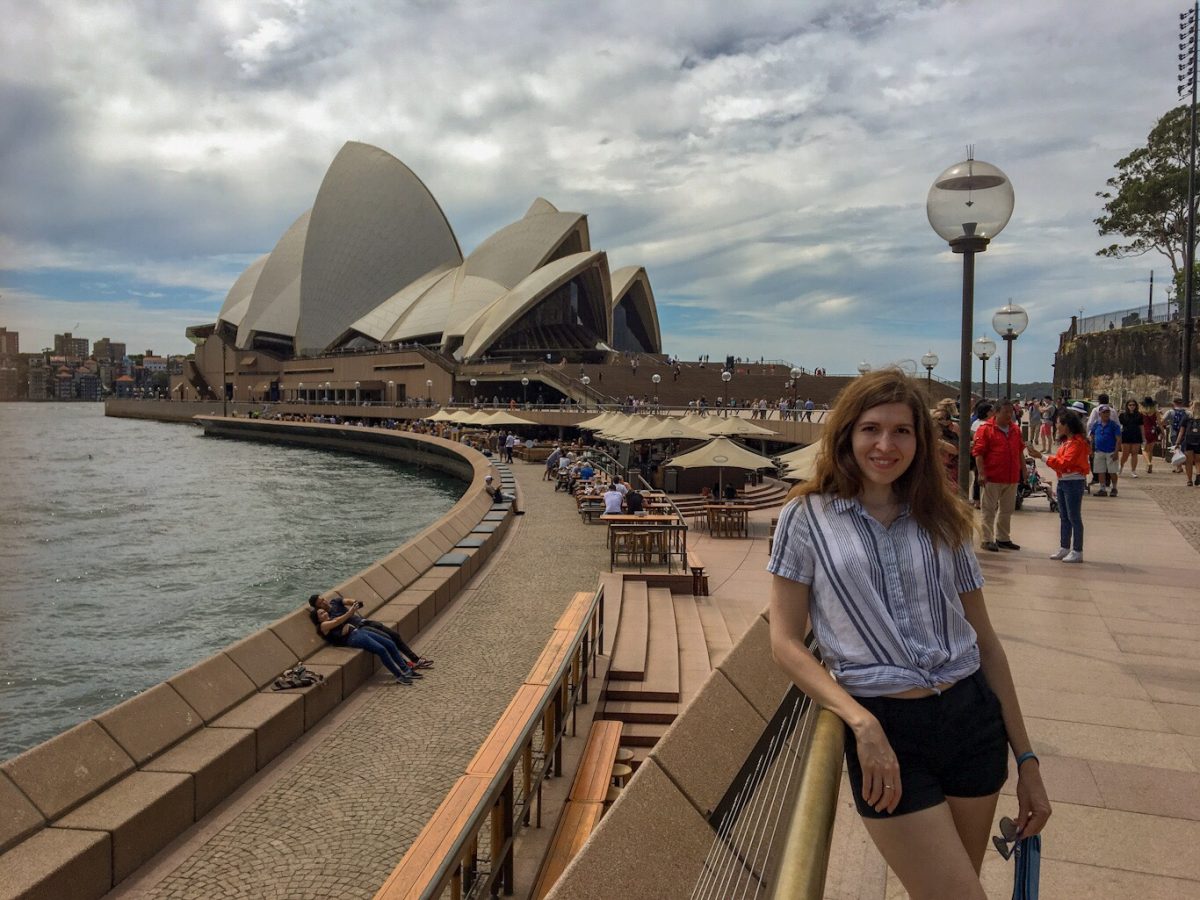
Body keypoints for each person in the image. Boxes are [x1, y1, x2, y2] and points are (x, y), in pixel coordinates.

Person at [767, 370, 1049, 898]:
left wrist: (1027, 760)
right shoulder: (806, 517)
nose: (885, 444)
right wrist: (860, 721)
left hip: (971, 723)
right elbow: (784, 642)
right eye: (871, 428)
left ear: (920, 441)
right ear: (847, 434)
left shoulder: (943, 516)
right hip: (889, 731)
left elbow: (984, 641)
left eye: (902, 431)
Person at [972, 399, 1041, 551]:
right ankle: (987, 539)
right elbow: (978, 453)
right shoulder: (985, 429)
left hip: (1011, 477)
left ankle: (1003, 538)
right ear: (996, 413)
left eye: (1011, 412)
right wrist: (981, 474)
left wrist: (1024, 471)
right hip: (992, 477)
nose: (1009, 415)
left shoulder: (1015, 430)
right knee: (989, 509)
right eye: (1006, 412)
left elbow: (1019, 452)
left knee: (1007, 509)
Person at [309, 595, 418, 684]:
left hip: (358, 631)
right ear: (317, 619)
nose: (325, 613)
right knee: (381, 649)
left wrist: (349, 621)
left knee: (389, 643)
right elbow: (338, 622)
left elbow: (341, 621)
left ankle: (406, 670)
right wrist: (350, 613)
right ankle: (399, 676)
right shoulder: (323, 626)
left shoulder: (331, 616)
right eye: (321, 613)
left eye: (324, 612)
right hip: (352, 638)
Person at [1044, 410, 1089, 563]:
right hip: (1064, 481)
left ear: (1067, 425)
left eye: (1058, 423)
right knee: (1064, 516)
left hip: (1074, 481)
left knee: (1074, 516)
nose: (1056, 425)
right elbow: (1060, 461)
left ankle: (1077, 549)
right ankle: (1065, 547)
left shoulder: (1077, 443)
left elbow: (1065, 463)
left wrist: (1043, 458)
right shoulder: (1068, 442)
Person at [1088, 405, 1121, 497]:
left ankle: (1114, 488)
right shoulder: (1096, 424)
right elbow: (1092, 436)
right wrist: (1091, 449)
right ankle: (1102, 489)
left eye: (1108, 412)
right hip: (1099, 451)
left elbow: (1118, 439)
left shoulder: (1114, 425)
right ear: (1100, 414)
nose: (1106, 414)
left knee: (1112, 471)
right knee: (1100, 471)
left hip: (1111, 451)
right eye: (1104, 412)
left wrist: (1116, 452)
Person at [1117, 399, 1143, 477]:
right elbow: (1118, 426)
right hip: (1126, 435)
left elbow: (1141, 426)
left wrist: (1143, 437)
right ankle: (1121, 467)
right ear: (1127, 406)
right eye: (1130, 405)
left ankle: (1133, 471)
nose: (1132, 406)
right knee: (1125, 453)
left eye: (1133, 405)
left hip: (1136, 435)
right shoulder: (1122, 415)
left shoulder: (1139, 415)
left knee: (1135, 453)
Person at [1178, 400, 1200, 486]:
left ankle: (1189, 480)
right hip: (1199, 441)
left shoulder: (1187, 416)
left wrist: (1177, 442)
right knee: (1198, 461)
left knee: (1189, 462)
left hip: (1188, 441)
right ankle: (1198, 473)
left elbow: (1181, 431)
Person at [1140, 397, 1160, 474]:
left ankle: (1148, 463)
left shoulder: (1141, 412)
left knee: (1144, 449)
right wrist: (1162, 432)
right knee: (1150, 450)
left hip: (1144, 430)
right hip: (1153, 430)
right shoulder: (1155, 412)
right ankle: (1148, 466)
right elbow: (1159, 423)